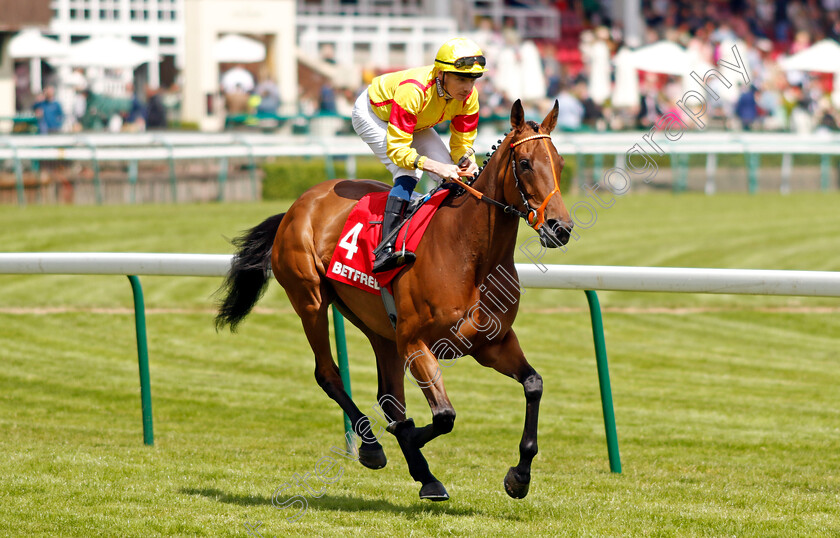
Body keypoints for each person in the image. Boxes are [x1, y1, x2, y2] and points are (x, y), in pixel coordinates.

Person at [351, 37, 484, 273]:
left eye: (472, 80)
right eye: (461, 78)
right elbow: (398, 150)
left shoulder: (469, 98)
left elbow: (462, 142)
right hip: (372, 114)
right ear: (441, 74)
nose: (468, 87)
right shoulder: (413, 90)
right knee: (408, 171)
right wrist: (432, 165)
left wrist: (466, 160)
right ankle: (385, 250)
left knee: (453, 176)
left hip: (417, 122)